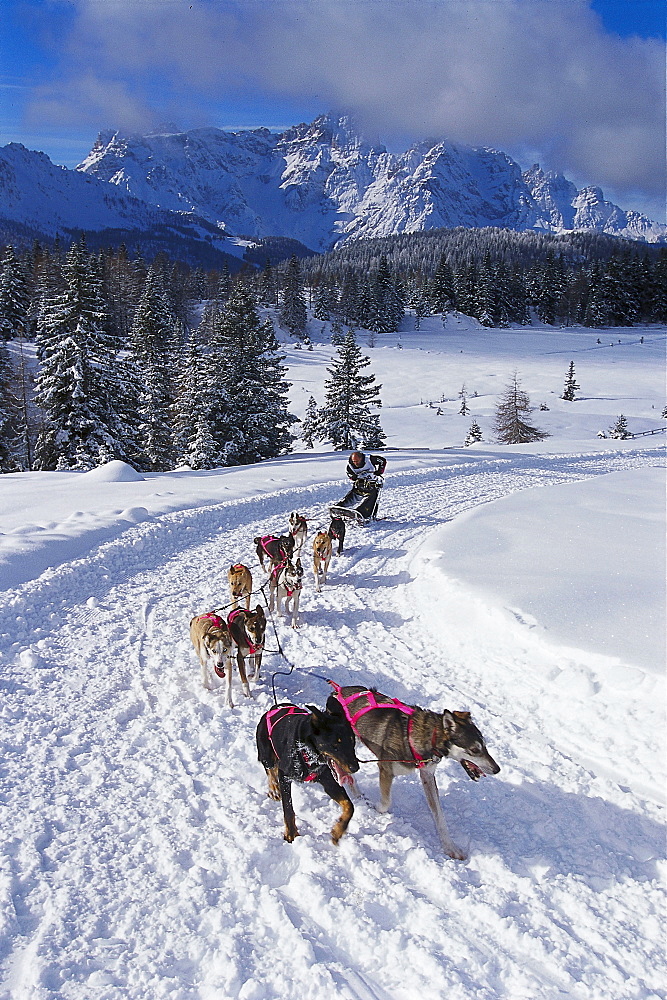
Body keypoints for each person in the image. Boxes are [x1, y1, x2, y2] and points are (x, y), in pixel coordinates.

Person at [335, 450, 386, 521]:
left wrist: (380, 471)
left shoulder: (370, 459)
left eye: (357, 461)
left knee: (372, 498)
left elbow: (382, 461)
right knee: (352, 496)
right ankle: (340, 507)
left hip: (373, 483)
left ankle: (364, 513)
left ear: (361, 459)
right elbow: (349, 475)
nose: (355, 463)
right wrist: (353, 477)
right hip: (360, 483)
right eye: (354, 461)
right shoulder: (350, 466)